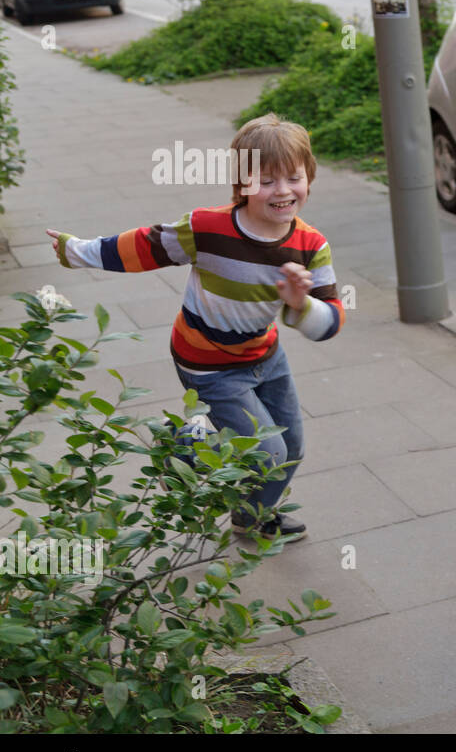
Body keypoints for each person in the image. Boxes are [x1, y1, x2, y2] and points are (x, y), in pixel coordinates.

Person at [47, 114, 343, 541]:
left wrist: (303, 305)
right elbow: (144, 246)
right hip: (207, 361)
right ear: (241, 186)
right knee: (268, 448)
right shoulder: (207, 228)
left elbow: (329, 321)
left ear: (309, 179)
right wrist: (76, 251)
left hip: (264, 355)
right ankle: (182, 446)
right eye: (265, 180)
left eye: (293, 178)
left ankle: (249, 516)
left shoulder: (311, 245)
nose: (282, 191)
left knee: (291, 448)